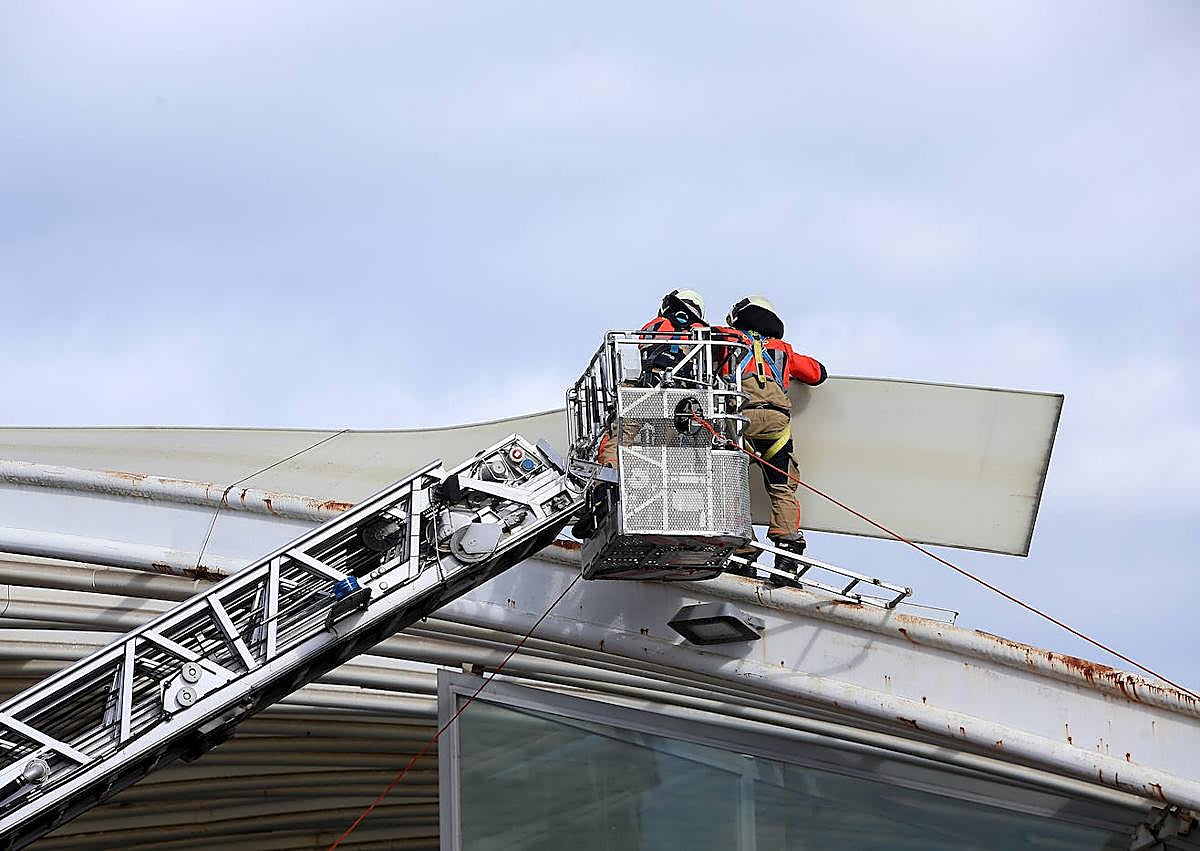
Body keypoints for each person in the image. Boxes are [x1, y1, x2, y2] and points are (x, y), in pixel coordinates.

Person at [724, 295, 826, 567]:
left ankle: (742, 549)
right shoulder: (783, 350)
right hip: (776, 424)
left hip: (738, 420)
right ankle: (787, 554)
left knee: (732, 485)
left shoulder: (724, 340)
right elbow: (817, 373)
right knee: (782, 487)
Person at [597, 289, 707, 468]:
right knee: (667, 441)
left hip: (641, 386)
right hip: (676, 396)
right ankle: (662, 475)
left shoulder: (654, 325)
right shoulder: (699, 332)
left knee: (622, 435)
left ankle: (609, 475)